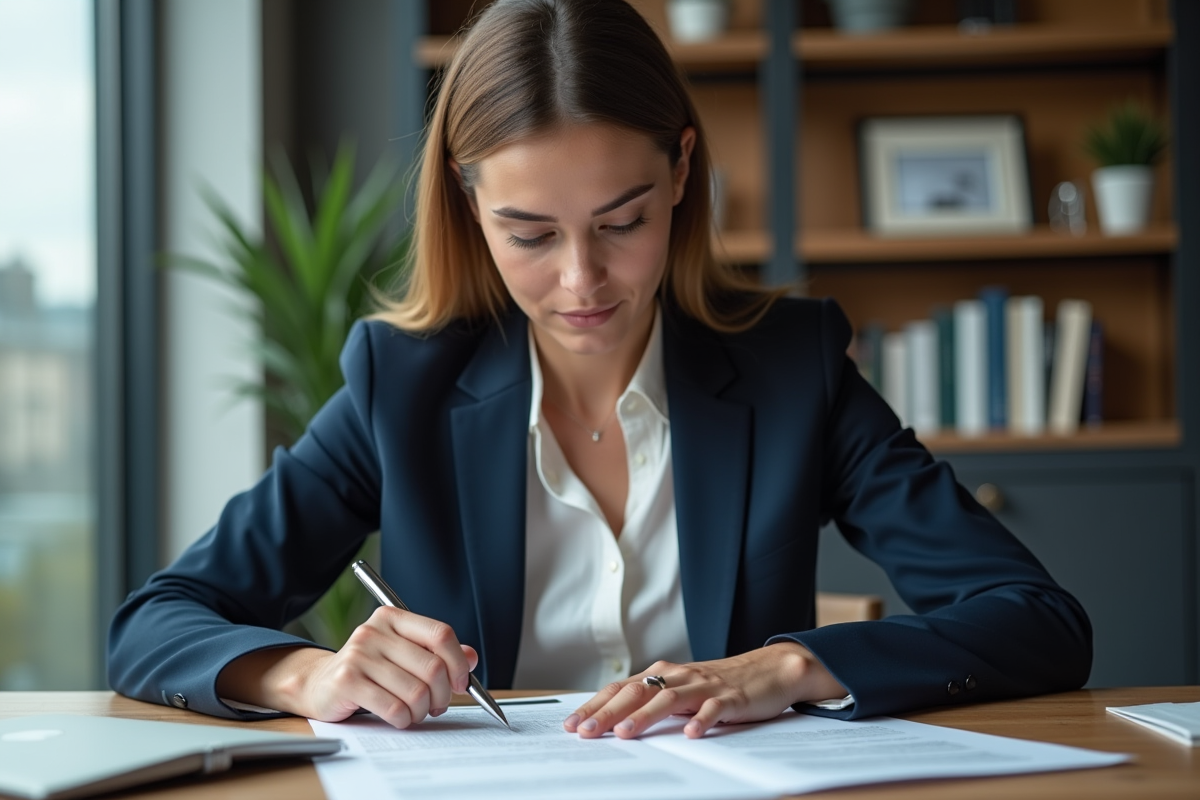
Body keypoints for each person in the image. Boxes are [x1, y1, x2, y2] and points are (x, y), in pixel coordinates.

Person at [108, 0, 1091, 740]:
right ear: (467, 206)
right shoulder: (399, 382)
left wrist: (796, 662)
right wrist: (304, 675)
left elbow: (1041, 621)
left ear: (680, 174)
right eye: (529, 233)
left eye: (622, 222)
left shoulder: (796, 371)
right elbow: (155, 621)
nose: (582, 279)